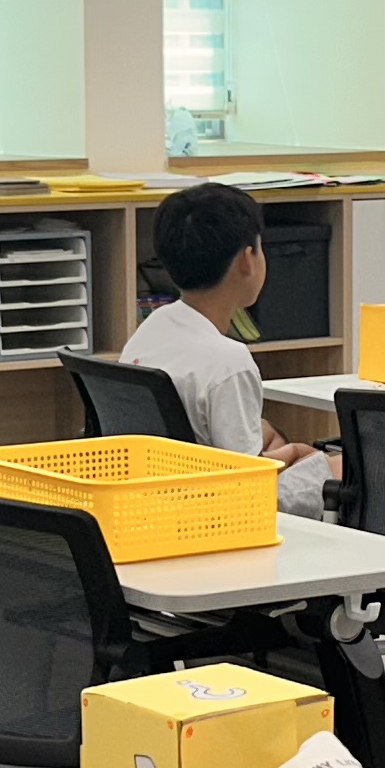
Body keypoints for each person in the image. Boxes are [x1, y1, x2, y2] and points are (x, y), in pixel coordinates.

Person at [124, 182, 335, 518]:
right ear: (247, 260)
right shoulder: (229, 361)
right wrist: (294, 454)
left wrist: (283, 453)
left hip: (160, 495)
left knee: (268, 432)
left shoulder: (152, 328)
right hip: (220, 513)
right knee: (342, 465)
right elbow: (247, 487)